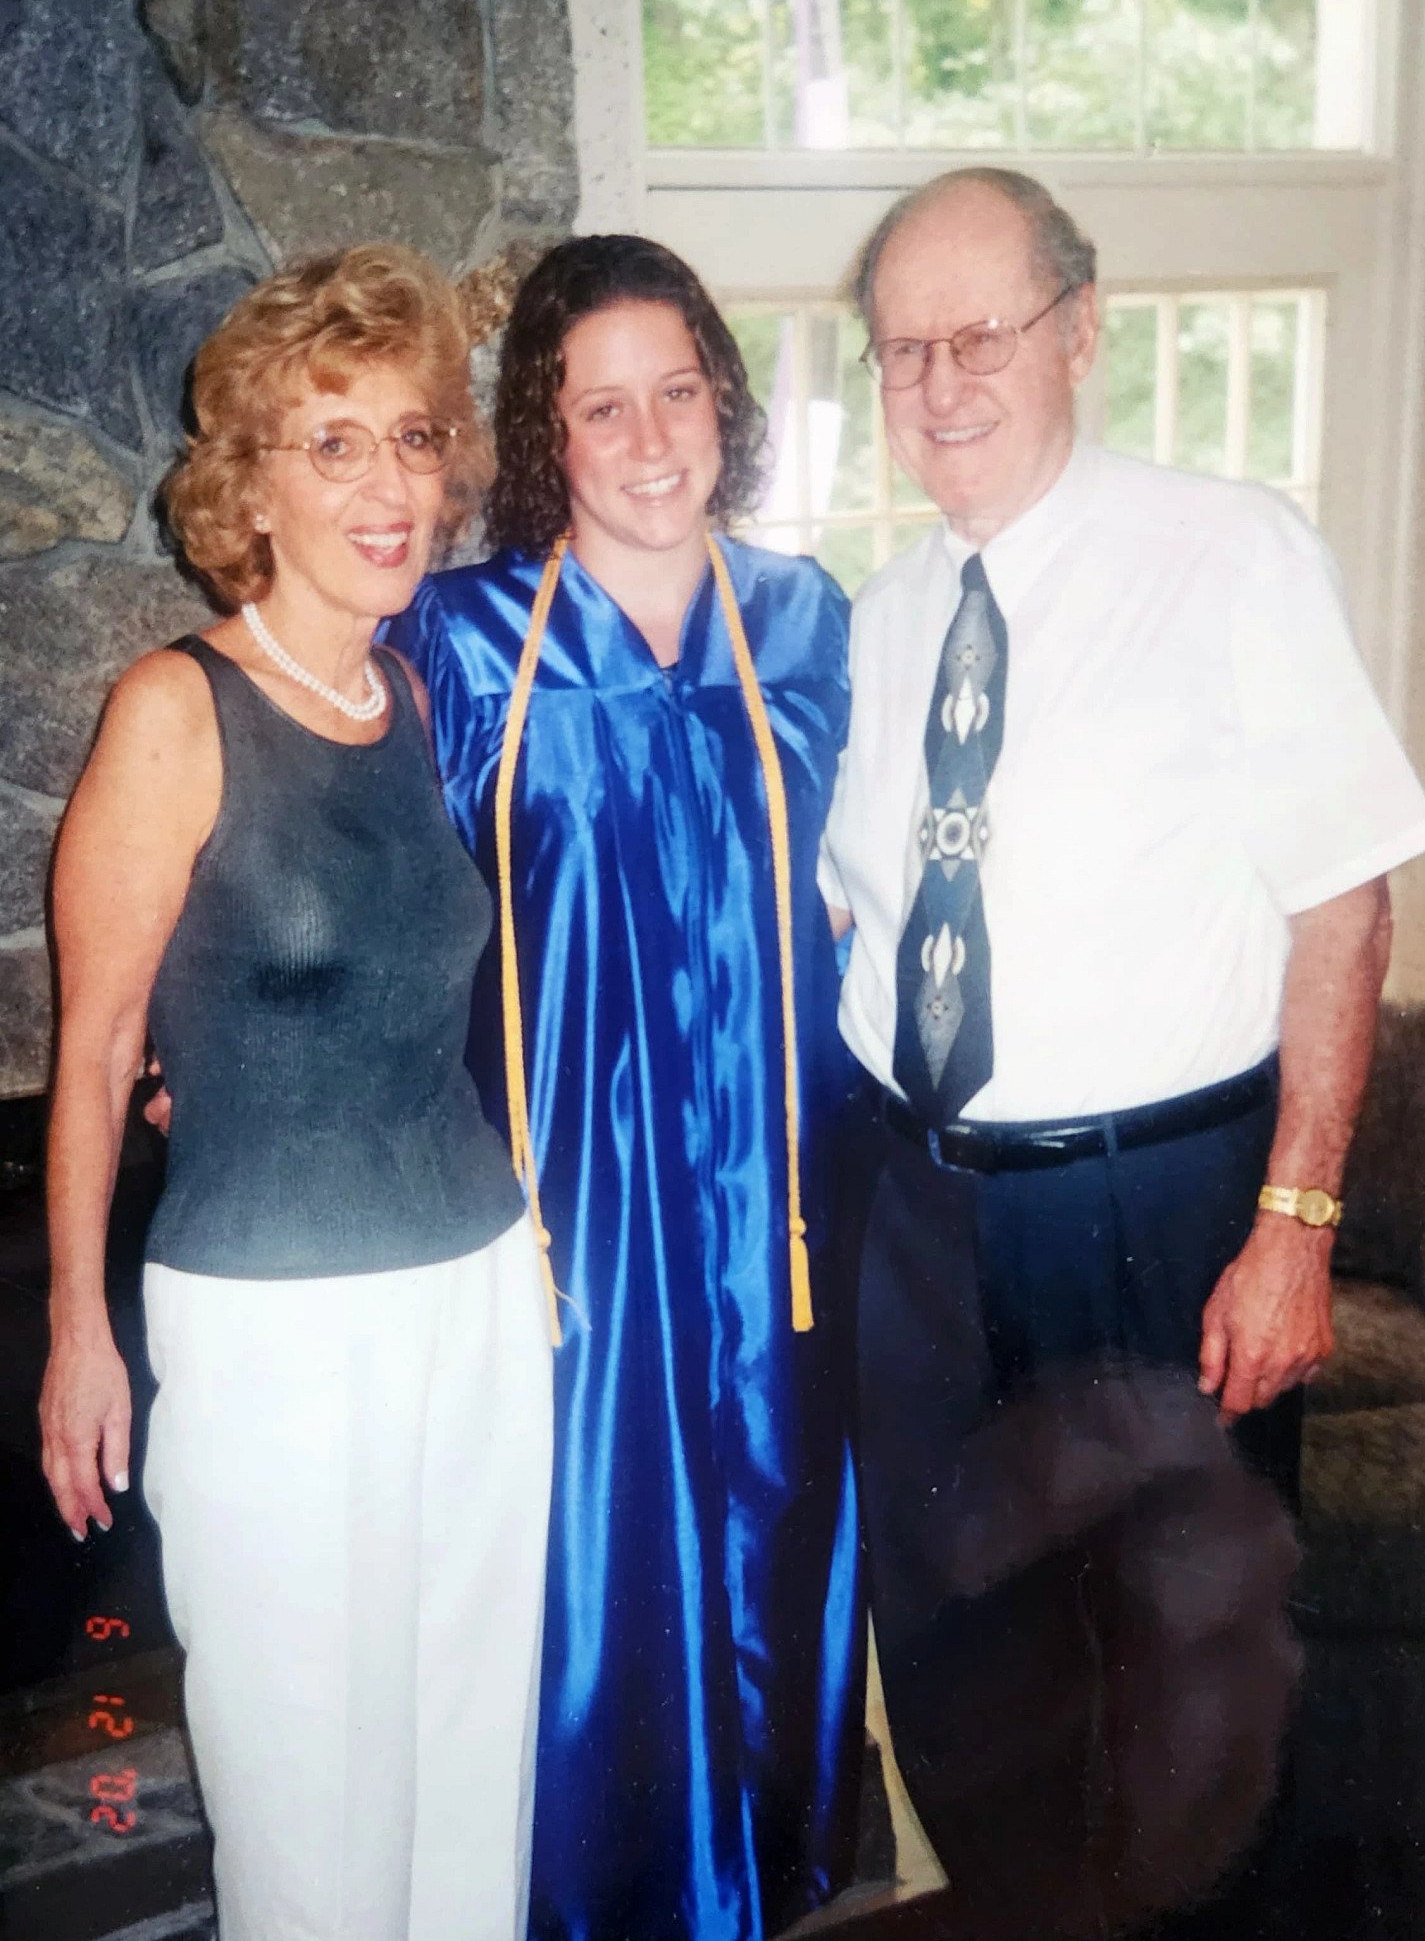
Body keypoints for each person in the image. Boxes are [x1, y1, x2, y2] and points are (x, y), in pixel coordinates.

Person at [818, 168, 1425, 1836]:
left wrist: (1295, 1221)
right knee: (961, 1677)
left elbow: (1343, 901)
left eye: (977, 336)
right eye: (898, 351)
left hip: (1150, 1213)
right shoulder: (876, 624)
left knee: (1185, 1696)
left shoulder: (1229, 554)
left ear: (1078, 332)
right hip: (918, 1224)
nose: (936, 387)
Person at [39, 245, 553, 1941]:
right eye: (332, 444)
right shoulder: (171, 711)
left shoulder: (411, 696)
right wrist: (76, 1332)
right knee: (305, 1801)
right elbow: (102, 1054)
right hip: (271, 1330)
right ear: (249, 481)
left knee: (472, 1771)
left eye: (410, 438)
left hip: (475, 1295)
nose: (389, 484)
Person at [384, 234, 864, 1941]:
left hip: (780, 1213)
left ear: (723, 406)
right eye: (604, 406)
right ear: (548, 434)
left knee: (772, 1533)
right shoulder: (458, 639)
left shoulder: (809, 624)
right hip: (564, 1224)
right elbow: (372, 905)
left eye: (679, 392)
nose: (651, 437)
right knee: (589, 1575)